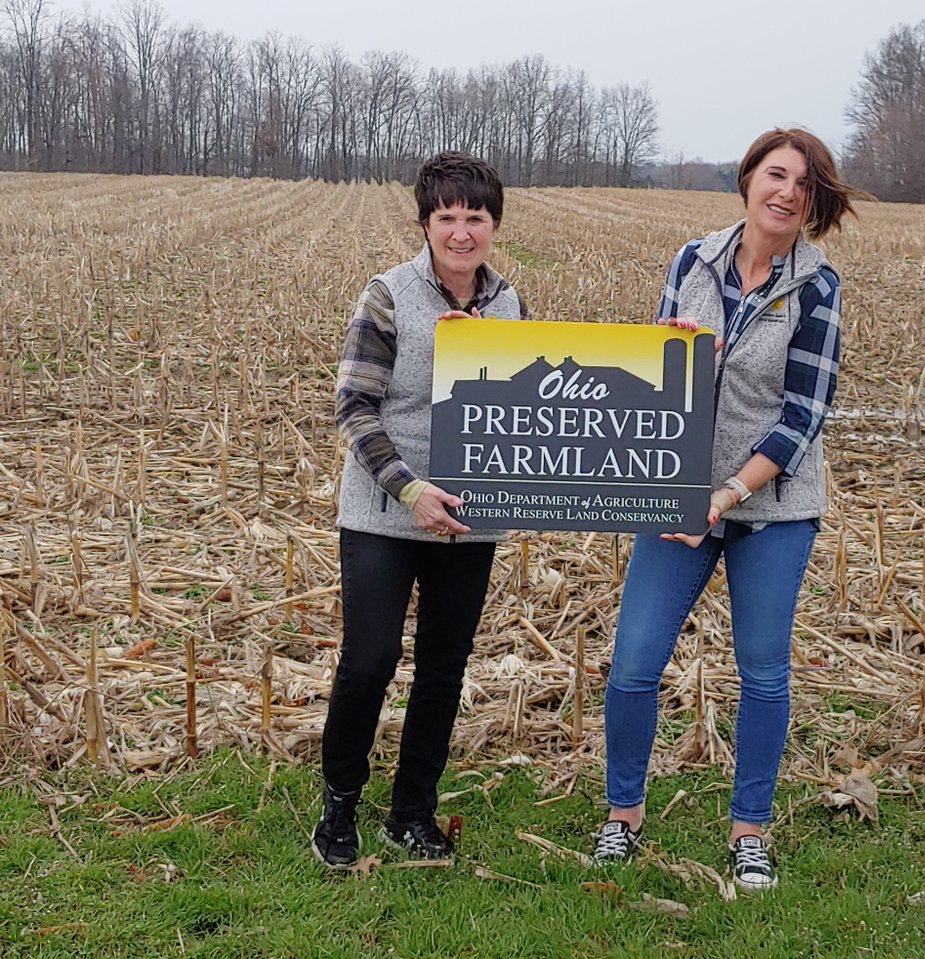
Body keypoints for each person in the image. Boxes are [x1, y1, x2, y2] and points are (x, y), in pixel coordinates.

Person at [593, 128, 864, 890]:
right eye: (776, 175)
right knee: (634, 665)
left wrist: (726, 494)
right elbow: (657, 375)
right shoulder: (693, 260)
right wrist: (663, 350)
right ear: (747, 180)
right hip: (678, 496)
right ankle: (623, 815)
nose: (787, 193)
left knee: (763, 674)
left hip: (770, 508)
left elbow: (802, 414)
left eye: (804, 186)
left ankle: (749, 831)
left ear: (813, 204)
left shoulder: (817, 286)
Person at [312, 152, 526, 869]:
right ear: (426, 223)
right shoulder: (389, 294)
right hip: (385, 511)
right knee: (369, 660)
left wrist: (674, 356)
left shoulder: (510, 304)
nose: (462, 232)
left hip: (470, 517)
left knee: (443, 667)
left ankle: (413, 811)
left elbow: (534, 406)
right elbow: (354, 405)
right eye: (447, 218)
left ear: (494, 224)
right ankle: (340, 800)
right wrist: (410, 488)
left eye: (476, 217)